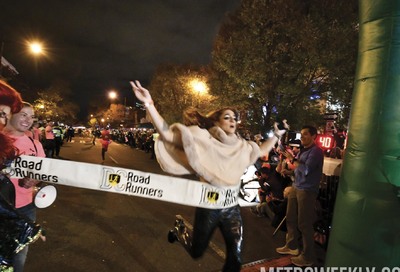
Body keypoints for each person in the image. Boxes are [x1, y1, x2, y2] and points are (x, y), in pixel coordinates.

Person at [130, 80, 285, 272]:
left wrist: (277, 136)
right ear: (216, 121)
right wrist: (149, 104)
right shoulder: (202, 136)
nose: (232, 121)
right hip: (209, 206)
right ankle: (180, 231)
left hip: (231, 209)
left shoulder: (241, 145)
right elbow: (168, 135)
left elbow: (261, 149)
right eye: (227, 117)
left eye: (234, 118)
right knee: (196, 251)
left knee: (235, 259)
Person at [4, 102, 46, 272]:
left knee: (19, 255)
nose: (28, 119)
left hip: (25, 208)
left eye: (31, 116)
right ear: (11, 115)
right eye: (23, 114)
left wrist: (35, 180)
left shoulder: (36, 145)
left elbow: (42, 173)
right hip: (2, 208)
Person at [276, 125, 324, 267]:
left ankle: (308, 257)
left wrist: (291, 159)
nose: (302, 137)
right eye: (301, 135)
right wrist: (289, 172)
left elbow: (306, 170)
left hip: (307, 190)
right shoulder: (304, 151)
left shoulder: (316, 152)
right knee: (290, 218)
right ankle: (291, 246)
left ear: (314, 136)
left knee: (304, 224)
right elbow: (298, 171)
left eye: (305, 135)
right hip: (296, 187)